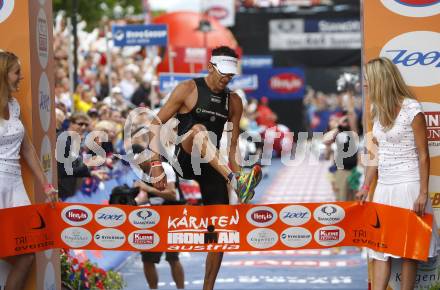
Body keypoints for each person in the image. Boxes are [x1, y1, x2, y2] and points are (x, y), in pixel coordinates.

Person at [146, 46, 262, 290]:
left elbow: (232, 148)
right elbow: (155, 123)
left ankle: (208, 288)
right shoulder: (188, 88)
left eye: (231, 75)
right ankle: (235, 180)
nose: (227, 79)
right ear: (210, 66)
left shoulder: (234, 101)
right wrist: (155, 163)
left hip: (211, 165)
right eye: (223, 73)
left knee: (218, 230)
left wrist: (239, 176)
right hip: (184, 157)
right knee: (199, 131)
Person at [356, 57, 440, 290]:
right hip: (384, 186)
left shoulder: (412, 108)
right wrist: (365, 187)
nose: (364, 84)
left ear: (379, 80)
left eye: (367, 79)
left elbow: (424, 154)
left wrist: (423, 193)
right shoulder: (376, 110)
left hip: (409, 185)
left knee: (408, 250)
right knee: (380, 251)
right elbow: (375, 156)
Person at [0, 50, 58, 289]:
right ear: (3, 75)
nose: (21, 77)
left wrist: (46, 185)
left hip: (16, 188)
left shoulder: (14, 106)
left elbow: (28, 150)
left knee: (26, 254)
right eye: (17, 72)